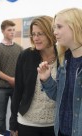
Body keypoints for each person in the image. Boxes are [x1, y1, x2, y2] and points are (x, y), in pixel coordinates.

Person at [10, 16, 58, 136]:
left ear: (51, 33)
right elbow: (18, 91)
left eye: (40, 34)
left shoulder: (63, 56)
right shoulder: (25, 56)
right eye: (33, 34)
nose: (36, 38)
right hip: (27, 123)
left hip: (55, 124)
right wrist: (13, 123)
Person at [37, 8, 82, 136]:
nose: (55, 32)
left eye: (59, 27)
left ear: (76, 26)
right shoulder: (65, 60)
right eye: (54, 28)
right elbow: (59, 96)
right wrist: (46, 80)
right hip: (62, 131)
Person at [0, 20, 23, 135]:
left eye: (14, 30)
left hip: (16, 88)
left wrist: (17, 80)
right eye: (9, 30)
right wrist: (10, 79)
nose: (12, 32)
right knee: (1, 116)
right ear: (3, 31)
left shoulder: (19, 48)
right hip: (2, 88)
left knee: (16, 114)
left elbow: (22, 67)